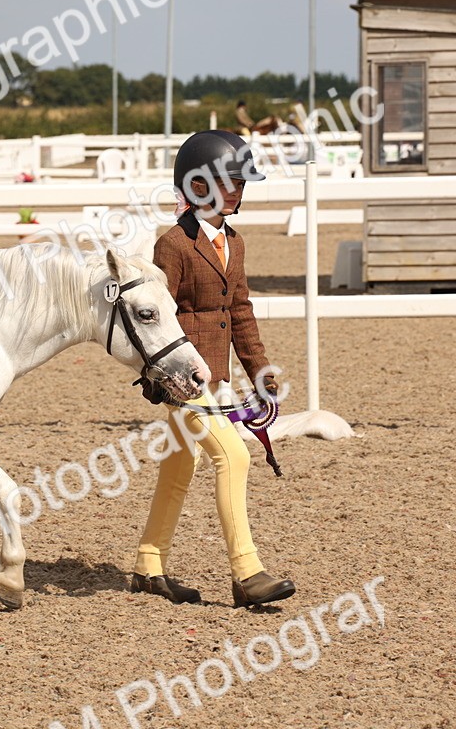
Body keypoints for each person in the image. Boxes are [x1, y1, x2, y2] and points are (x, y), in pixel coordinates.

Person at [130, 130, 296, 608]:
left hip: (215, 378)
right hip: (182, 381)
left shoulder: (234, 243)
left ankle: (148, 564)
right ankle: (247, 574)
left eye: (242, 183)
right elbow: (158, 319)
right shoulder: (173, 246)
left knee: (181, 466)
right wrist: (161, 379)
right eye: (231, 182)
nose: (240, 190)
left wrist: (260, 371)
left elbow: (239, 310)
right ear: (199, 185)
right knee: (234, 456)